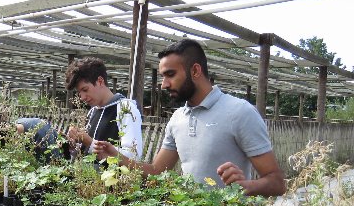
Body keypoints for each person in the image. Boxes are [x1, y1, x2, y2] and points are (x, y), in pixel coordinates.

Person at [94, 40, 286, 197]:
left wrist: (246, 185)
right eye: (163, 76)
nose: (164, 84)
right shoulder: (177, 118)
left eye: (170, 75)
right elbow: (156, 171)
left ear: (195, 71)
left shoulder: (240, 112)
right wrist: (116, 157)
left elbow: (277, 182)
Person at [65, 57, 143, 161]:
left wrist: (90, 142)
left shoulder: (126, 109)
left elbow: (133, 157)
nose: (82, 97)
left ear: (100, 81)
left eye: (85, 89)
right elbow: (87, 153)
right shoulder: (93, 111)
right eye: (79, 93)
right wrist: (73, 145)